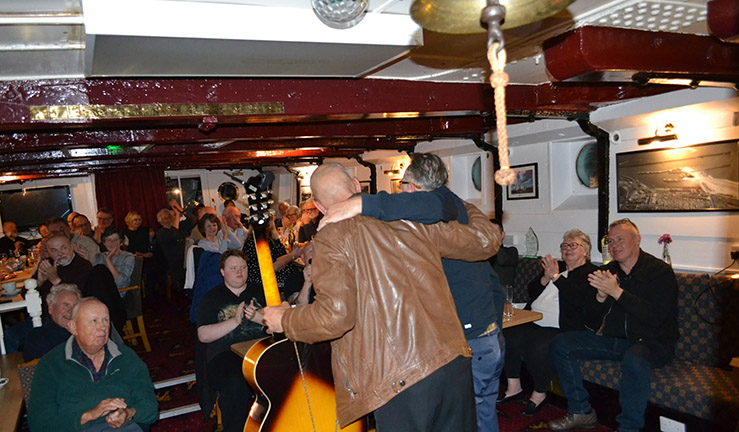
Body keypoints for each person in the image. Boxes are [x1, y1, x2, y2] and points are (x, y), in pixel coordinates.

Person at [262, 163, 501, 432]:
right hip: (452, 363)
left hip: (399, 380)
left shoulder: (331, 236)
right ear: (356, 185)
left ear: (318, 205)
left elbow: (335, 317)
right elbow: (486, 240)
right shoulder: (408, 218)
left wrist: (286, 320)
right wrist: (461, 204)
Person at [548, 219, 679, 432]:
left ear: (637, 240)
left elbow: (656, 318)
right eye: (611, 240)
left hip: (654, 343)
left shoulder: (659, 272)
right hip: (616, 341)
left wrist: (617, 292)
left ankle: (628, 428)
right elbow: (591, 319)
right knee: (562, 343)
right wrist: (600, 296)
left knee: (635, 359)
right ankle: (581, 411)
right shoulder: (609, 271)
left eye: (620, 239)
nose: (614, 245)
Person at [498, 229, 598, 416]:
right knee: (509, 334)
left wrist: (555, 277)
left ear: (585, 251)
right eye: (564, 245)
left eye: (573, 245)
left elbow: (577, 299)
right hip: (534, 318)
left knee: (538, 345)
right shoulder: (558, 267)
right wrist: (545, 277)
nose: (567, 249)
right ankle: (514, 388)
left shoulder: (591, 274)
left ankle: (539, 393)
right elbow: (532, 290)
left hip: (561, 326)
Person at [29, 298, 158, 432]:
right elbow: (40, 424)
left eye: (106, 320)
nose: (102, 327)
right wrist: (89, 415)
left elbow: (150, 408)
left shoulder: (126, 357)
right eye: (94, 321)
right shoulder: (51, 365)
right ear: (73, 327)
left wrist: (128, 414)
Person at [196, 250, 267, 432]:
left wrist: (258, 317)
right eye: (233, 268)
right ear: (222, 272)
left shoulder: (260, 290)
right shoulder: (211, 298)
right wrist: (234, 321)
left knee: (281, 376)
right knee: (236, 382)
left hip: (261, 351)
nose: (239, 272)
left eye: (243, 267)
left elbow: (281, 323)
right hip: (225, 355)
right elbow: (203, 335)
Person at [23, 283, 81, 361]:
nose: (71, 311)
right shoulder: (37, 337)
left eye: (75, 306)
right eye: (66, 305)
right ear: (51, 308)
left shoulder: (86, 332)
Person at [155, 208, 186, 291]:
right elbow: (173, 237)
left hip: (180, 256)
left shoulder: (175, 229)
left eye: (169, 217)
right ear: (161, 221)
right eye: (165, 218)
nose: (168, 219)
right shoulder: (160, 233)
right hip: (169, 260)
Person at [487, 219, 519, 287]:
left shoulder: (511, 252)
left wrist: (493, 242)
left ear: (502, 235)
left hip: (501, 294)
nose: (491, 236)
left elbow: (502, 260)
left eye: (494, 232)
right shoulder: (480, 254)